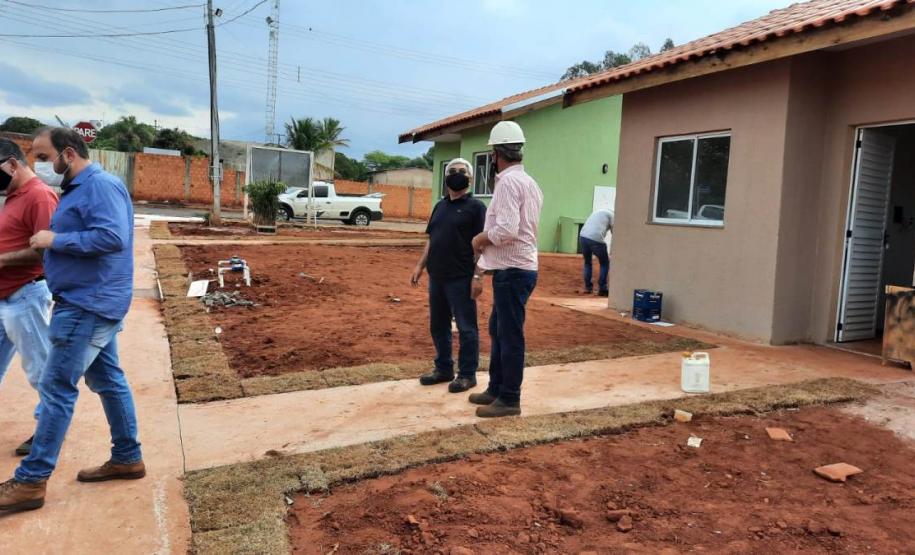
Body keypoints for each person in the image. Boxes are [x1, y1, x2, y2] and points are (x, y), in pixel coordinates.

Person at [0, 127, 144, 513]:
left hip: (86, 304)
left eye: (43, 157)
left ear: (68, 154)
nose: (38, 165)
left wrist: (54, 241)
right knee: (108, 379)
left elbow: (112, 237)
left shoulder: (99, 185)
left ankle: (31, 481)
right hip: (90, 300)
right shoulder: (78, 188)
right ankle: (127, 456)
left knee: (56, 388)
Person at [469, 121, 543, 418]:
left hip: (513, 272)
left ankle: (510, 398)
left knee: (510, 335)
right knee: (498, 329)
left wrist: (479, 239)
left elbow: (507, 230)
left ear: (496, 154)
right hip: (517, 269)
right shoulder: (529, 182)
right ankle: (497, 389)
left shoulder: (508, 183)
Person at [0, 139, 58, 457]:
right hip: (6, 297)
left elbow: (46, 251)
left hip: (25, 295)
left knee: (41, 371)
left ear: (12, 164)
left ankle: (49, 432)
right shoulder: (13, 195)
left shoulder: (39, 195)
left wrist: (2, 260)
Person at [411, 158, 487, 393]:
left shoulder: (477, 208)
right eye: (452, 171)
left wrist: (478, 277)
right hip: (437, 276)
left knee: (466, 328)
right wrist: (420, 265)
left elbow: (484, 247)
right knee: (438, 325)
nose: (456, 174)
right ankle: (443, 369)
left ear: (470, 178)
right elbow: (432, 239)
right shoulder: (440, 206)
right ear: (445, 178)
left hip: (461, 278)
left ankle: (467, 374)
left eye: (462, 171)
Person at [578, 208, 614, 296]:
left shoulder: (598, 212)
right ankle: (602, 288)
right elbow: (615, 233)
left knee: (587, 262)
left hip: (583, 237)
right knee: (605, 263)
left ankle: (588, 287)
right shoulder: (613, 216)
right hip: (596, 239)